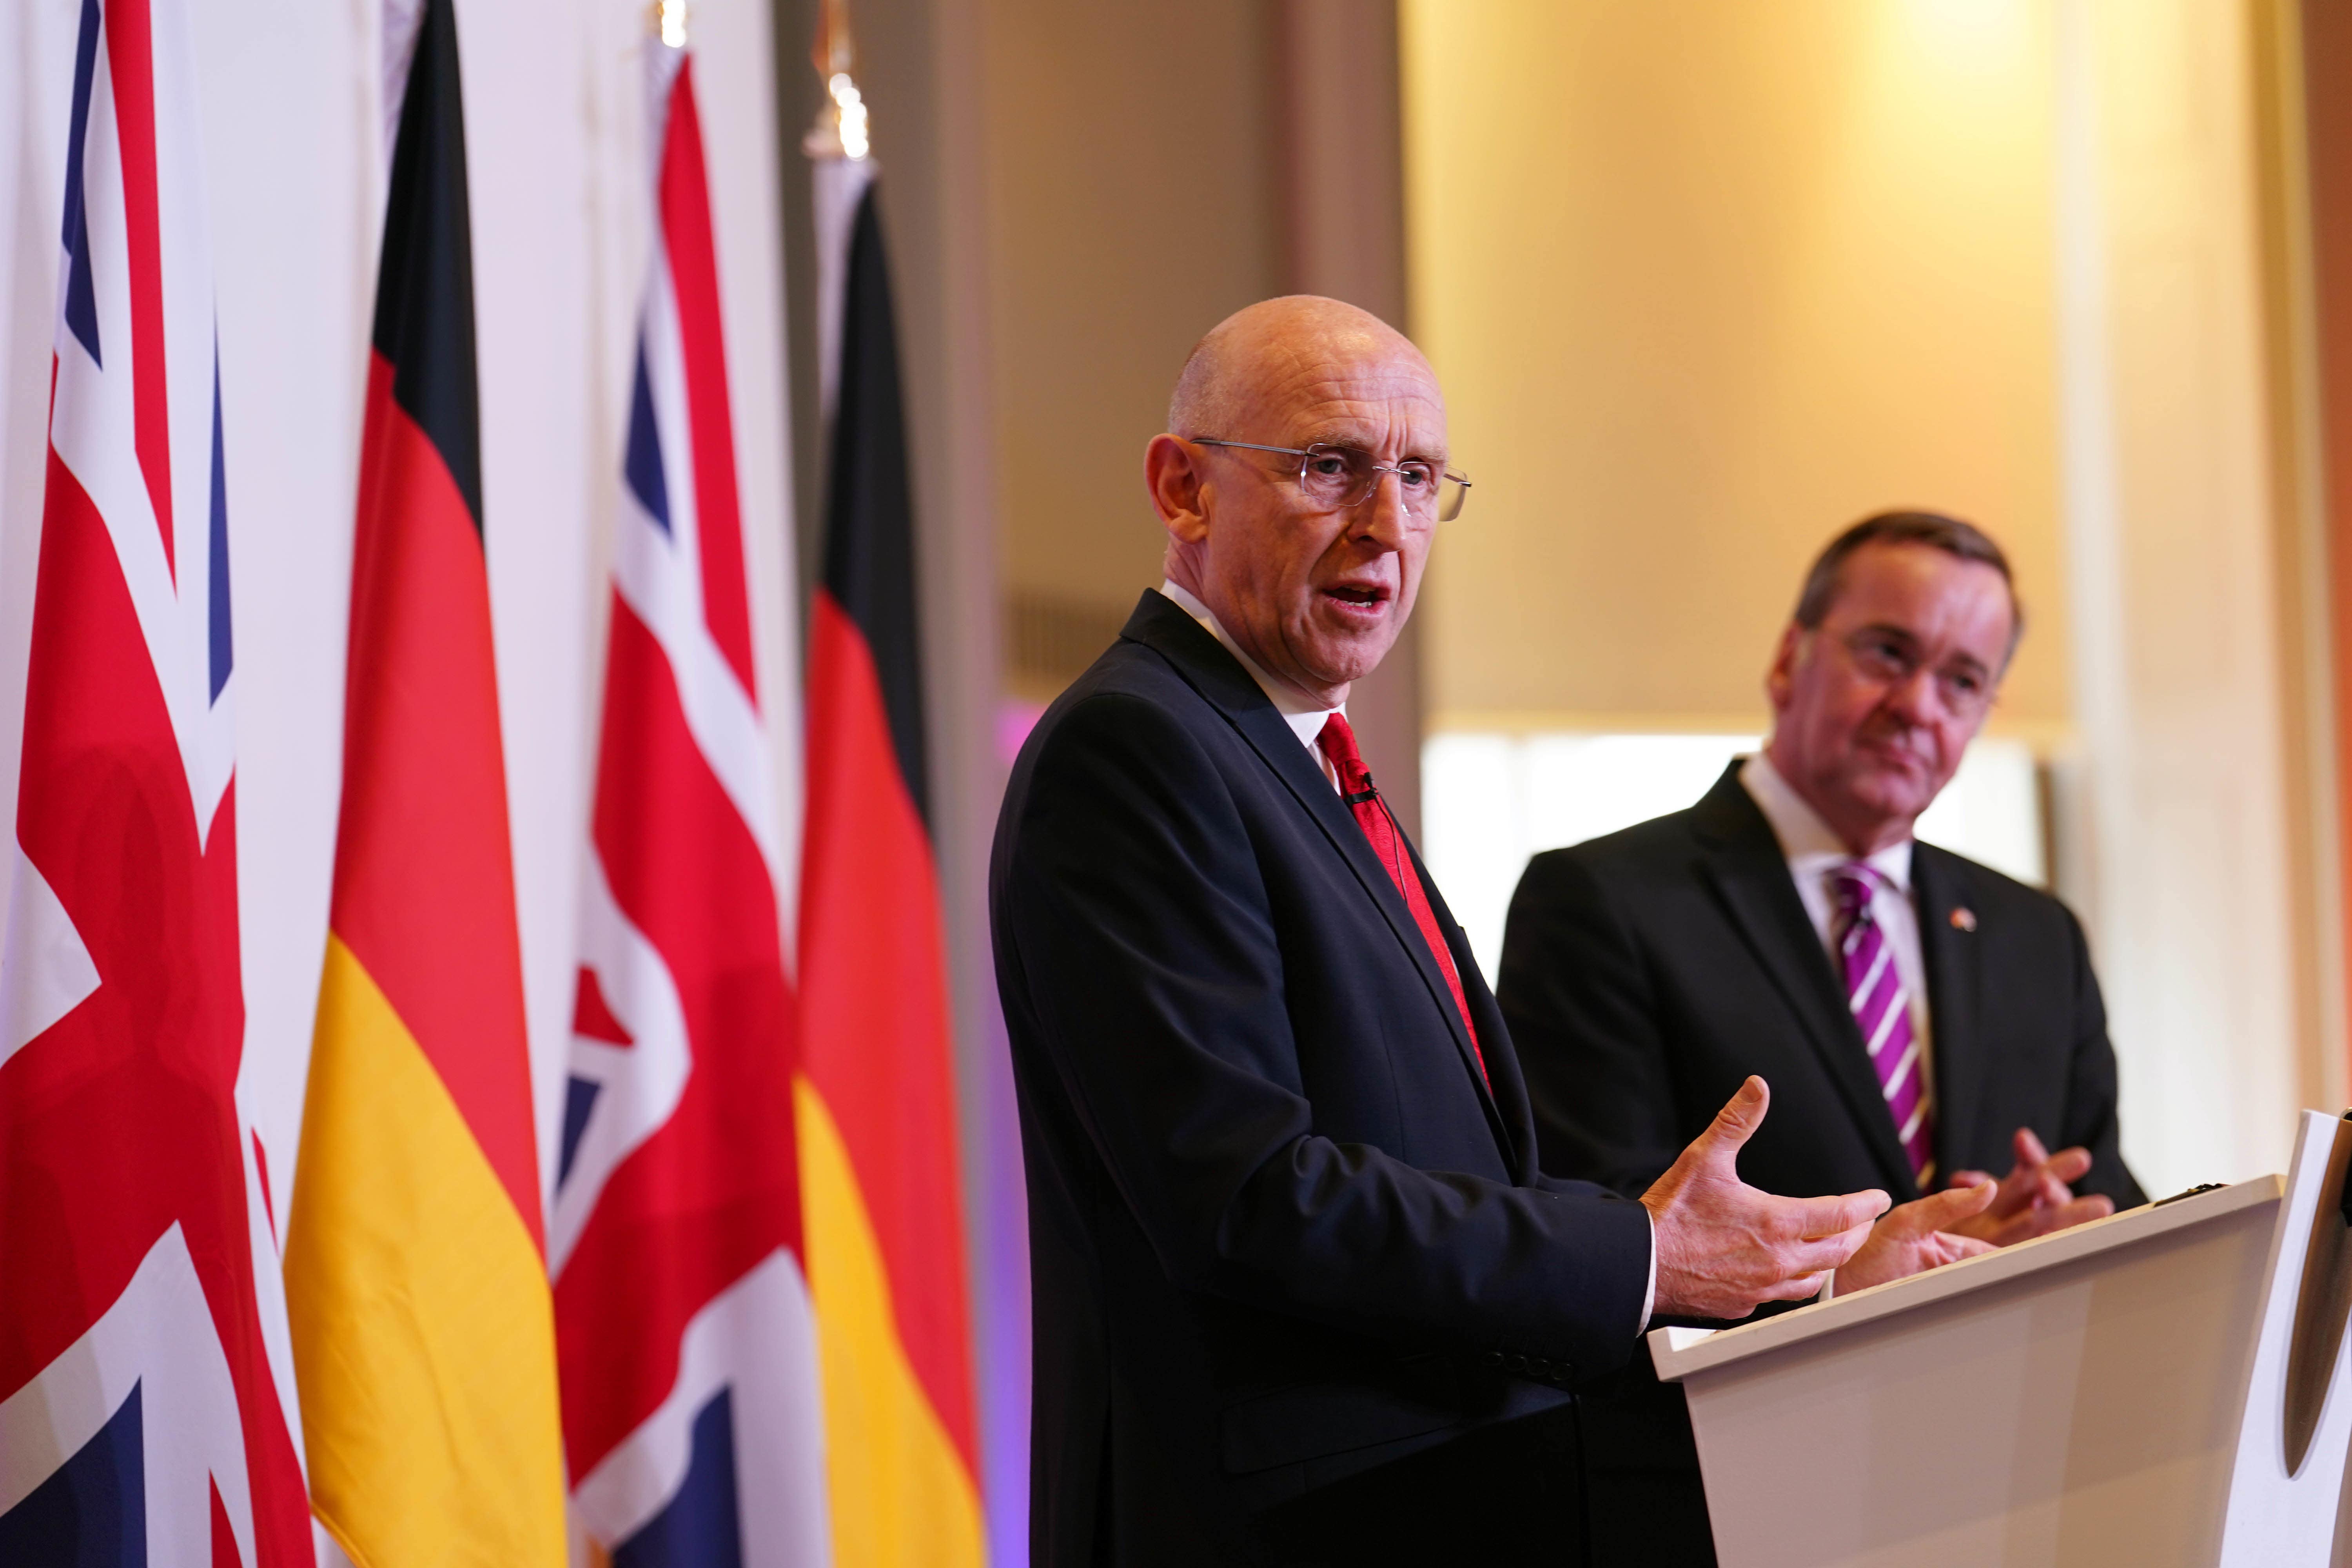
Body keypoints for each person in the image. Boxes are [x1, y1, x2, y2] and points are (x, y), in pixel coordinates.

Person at [990, 301, 1996, 1568]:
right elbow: (1249, 1194)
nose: (1386, 526)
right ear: (1183, 488)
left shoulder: (1292, 755)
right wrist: (1644, 1254)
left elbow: (1460, 1185)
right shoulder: (1140, 747)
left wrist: (1811, 1269)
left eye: (1418, 479)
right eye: (1330, 466)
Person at [1497, 511, 2146, 1563]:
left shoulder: (2037, 936)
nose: (1916, 707)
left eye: (1962, 680)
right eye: (1888, 652)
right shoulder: (1604, 901)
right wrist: (1847, 1290)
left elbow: (2108, 1185)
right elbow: (1591, 1235)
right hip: (1731, 1501)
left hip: (2011, 1495)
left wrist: (2070, 1235)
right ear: (1789, 659)